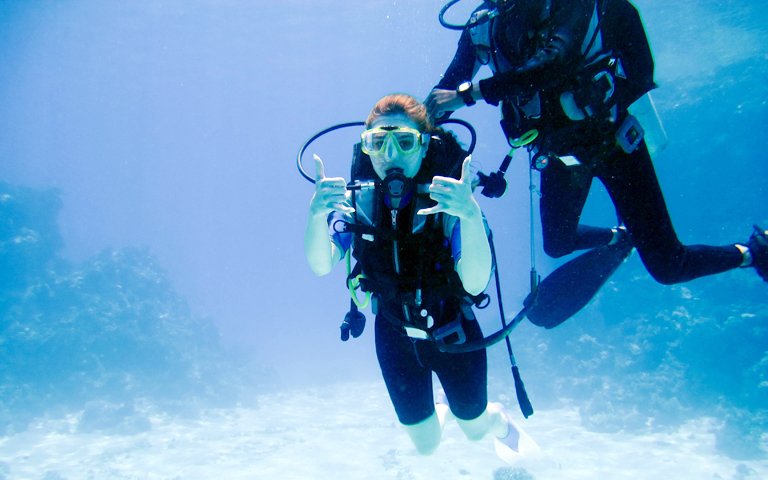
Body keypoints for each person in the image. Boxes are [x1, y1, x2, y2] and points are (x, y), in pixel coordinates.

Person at [425, 0, 768, 293]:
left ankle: (751, 252)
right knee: (557, 243)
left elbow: (555, 60)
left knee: (668, 266)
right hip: (559, 156)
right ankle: (621, 237)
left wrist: (470, 94)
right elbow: (445, 91)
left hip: (613, 146)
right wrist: (410, 129)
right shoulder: (482, 24)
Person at [304, 93, 537, 460]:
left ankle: (501, 423)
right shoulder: (358, 201)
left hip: (452, 330)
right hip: (393, 335)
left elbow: (475, 282)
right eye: (378, 142)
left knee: (475, 429)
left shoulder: (450, 200)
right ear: (366, 148)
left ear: (424, 145)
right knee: (426, 446)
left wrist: (470, 215)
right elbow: (321, 264)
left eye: (404, 141)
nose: (390, 154)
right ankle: (442, 406)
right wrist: (316, 216)